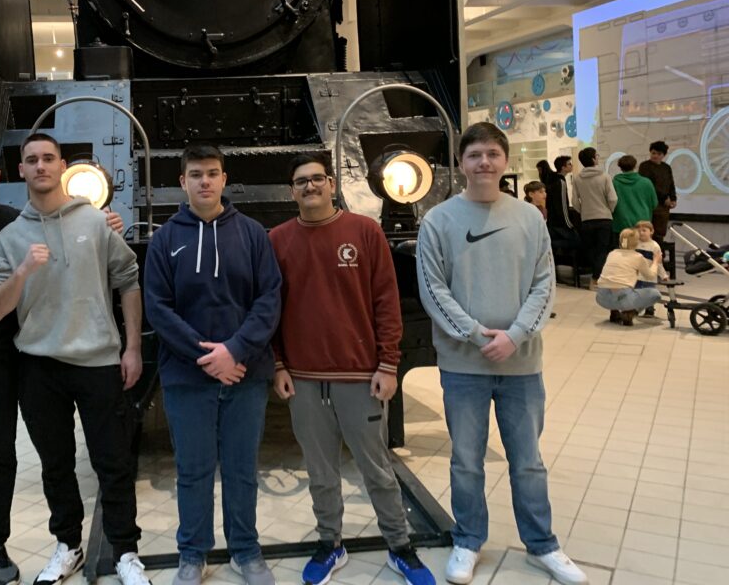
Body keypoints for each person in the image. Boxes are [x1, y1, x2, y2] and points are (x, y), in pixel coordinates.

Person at [416, 123, 587, 585]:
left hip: (522, 364)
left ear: (505, 161)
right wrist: (476, 336)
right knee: (466, 461)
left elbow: (544, 285)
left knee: (528, 461)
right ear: (461, 163)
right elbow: (433, 290)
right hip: (462, 366)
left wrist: (515, 335)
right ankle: (468, 541)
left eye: (492, 153)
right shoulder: (438, 221)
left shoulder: (529, 218)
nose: (484, 163)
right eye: (474, 155)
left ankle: (543, 545)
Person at [0, 133, 148, 585]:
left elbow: (129, 279)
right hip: (39, 367)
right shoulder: (10, 237)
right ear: (21, 170)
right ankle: (68, 545)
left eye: (48, 158)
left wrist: (132, 347)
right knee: (55, 464)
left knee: (112, 462)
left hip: (97, 362)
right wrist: (22, 272)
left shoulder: (95, 222)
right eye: (31, 159)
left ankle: (125, 552)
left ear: (62, 167)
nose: (40, 166)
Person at [269, 154, 435, 585]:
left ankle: (399, 545)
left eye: (317, 179)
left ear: (331, 183)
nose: (310, 186)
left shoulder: (365, 232)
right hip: (304, 379)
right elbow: (271, 309)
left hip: (360, 376)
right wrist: (279, 364)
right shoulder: (278, 240)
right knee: (320, 473)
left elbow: (386, 300)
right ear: (292, 191)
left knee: (377, 469)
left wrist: (388, 363)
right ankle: (331, 543)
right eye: (301, 181)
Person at [143, 145, 282, 585]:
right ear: (182, 182)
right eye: (195, 174)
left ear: (224, 179)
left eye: (212, 173)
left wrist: (234, 351)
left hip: (245, 374)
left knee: (242, 470)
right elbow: (158, 308)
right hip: (187, 377)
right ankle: (192, 552)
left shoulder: (253, 234)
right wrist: (208, 357)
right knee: (193, 471)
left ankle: (245, 550)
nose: (204, 181)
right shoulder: (165, 239)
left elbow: (269, 300)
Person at [568, 147, 618, 289]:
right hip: (604, 218)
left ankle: (596, 277)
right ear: (593, 159)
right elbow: (613, 198)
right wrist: (609, 210)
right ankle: (596, 278)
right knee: (603, 250)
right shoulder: (605, 176)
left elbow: (575, 201)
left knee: (591, 249)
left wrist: (583, 212)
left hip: (587, 220)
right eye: (597, 155)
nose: (598, 157)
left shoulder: (577, 178)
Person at [595, 228, 662, 326]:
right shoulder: (637, 257)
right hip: (623, 298)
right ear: (637, 242)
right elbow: (650, 276)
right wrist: (656, 261)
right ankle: (629, 313)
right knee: (655, 294)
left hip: (601, 297)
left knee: (615, 284)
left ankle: (614, 311)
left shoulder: (612, 253)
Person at [638, 141, 677, 243]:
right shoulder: (644, 166)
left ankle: (658, 251)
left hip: (664, 207)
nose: (655, 156)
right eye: (653, 153)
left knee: (660, 233)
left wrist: (673, 198)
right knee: (647, 231)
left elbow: (671, 183)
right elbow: (649, 186)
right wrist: (664, 198)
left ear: (664, 155)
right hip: (650, 205)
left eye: (659, 154)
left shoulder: (666, 167)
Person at [611, 155, 657, 234]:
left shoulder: (614, 183)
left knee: (623, 242)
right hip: (643, 225)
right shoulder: (646, 182)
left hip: (621, 224)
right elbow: (654, 204)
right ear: (635, 166)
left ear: (620, 167)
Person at [544, 156, 578, 246]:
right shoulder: (560, 182)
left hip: (553, 223)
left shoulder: (553, 180)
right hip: (560, 225)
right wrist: (569, 224)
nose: (571, 165)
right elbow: (563, 205)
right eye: (569, 164)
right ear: (563, 167)